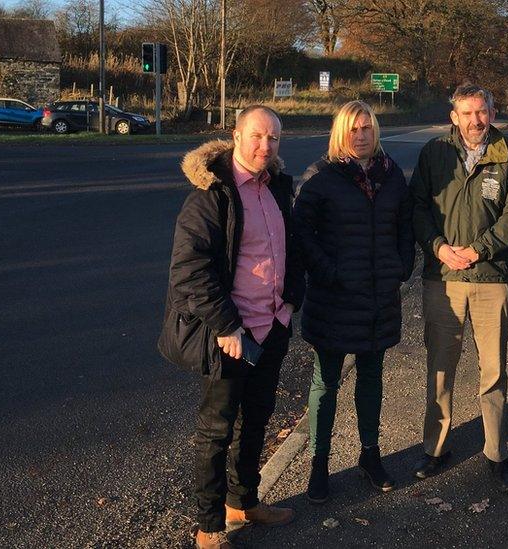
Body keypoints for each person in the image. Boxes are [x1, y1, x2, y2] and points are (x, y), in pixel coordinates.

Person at [158, 105, 305, 549]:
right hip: (231, 334)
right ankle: (209, 525)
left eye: (274, 139)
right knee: (216, 429)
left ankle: (244, 501)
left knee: (257, 419)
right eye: (257, 136)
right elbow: (189, 270)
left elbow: (289, 247)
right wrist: (226, 326)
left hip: (272, 327)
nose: (266, 146)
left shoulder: (277, 186)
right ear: (236, 136)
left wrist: (291, 301)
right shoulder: (211, 195)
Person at [292, 100, 415, 503]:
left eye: (367, 128)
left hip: (379, 297)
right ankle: (319, 464)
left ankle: (369, 454)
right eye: (353, 129)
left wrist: (401, 265)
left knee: (371, 377)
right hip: (334, 298)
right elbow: (300, 233)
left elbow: (405, 223)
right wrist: (328, 272)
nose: (361, 136)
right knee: (325, 382)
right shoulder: (321, 177)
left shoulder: (391, 174)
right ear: (340, 133)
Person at [411, 84, 508, 492]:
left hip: (491, 277)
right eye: (467, 113)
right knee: (440, 369)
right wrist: (439, 248)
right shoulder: (434, 153)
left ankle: (496, 452)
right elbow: (418, 208)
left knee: (493, 371)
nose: (475, 120)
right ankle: (435, 448)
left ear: (492, 111)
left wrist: (479, 250)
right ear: (454, 117)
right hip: (442, 279)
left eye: (482, 112)